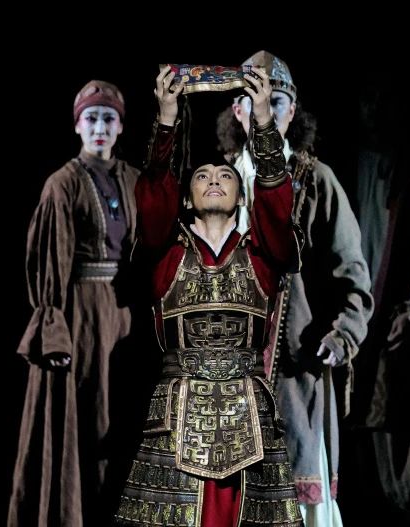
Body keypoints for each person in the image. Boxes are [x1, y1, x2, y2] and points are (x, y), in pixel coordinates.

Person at [115, 66, 303, 526]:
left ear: (242, 197)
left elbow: (278, 205)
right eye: (201, 176)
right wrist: (166, 117)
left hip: (248, 419)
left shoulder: (260, 256)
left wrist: (262, 117)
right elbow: (154, 192)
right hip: (177, 418)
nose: (214, 179)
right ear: (186, 198)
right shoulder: (167, 256)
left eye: (224, 175)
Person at [216, 50, 373, 526]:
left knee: (300, 498)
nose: (265, 112)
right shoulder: (216, 183)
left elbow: (353, 275)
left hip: (294, 370)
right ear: (238, 111)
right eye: (254, 101)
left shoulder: (317, 181)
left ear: (291, 110)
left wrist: (343, 334)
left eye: (276, 101)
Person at [8, 80, 140, 526]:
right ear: (77, 126)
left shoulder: (134, 181)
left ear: (120, 126)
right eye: (91, 118)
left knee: (120, 419)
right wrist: (55, 331)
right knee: (84, 418)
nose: (99, 128)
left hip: (123, 317)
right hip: (81, 316)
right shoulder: (62, 184)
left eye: (108, 119)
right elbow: (49, 261)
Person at [340, 79, 410, 525]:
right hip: (346, 315)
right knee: (350, 420)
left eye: (382, 100)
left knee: (393, 419)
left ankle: (403, 507)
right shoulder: (345, 163)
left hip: (394, 315)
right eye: (366, 100)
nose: (373, 111)